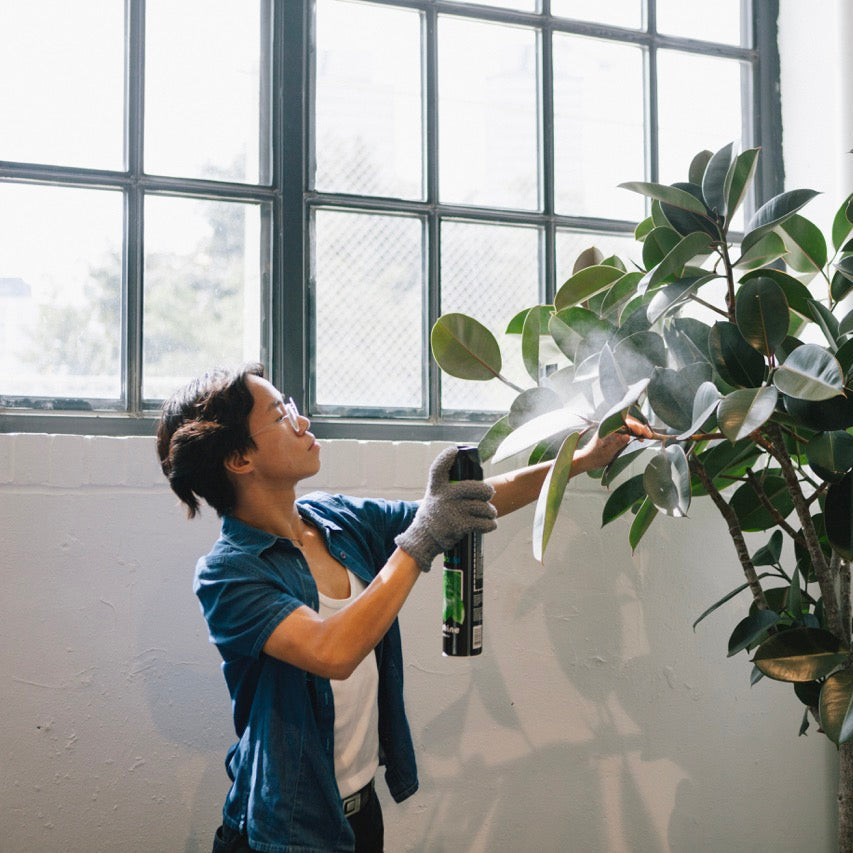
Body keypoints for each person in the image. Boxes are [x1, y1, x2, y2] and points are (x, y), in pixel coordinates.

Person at [156, 363, 634, 853]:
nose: (302, 421)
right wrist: (422, 539)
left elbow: (466, 504)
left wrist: (583, 459)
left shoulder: (336, 519)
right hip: (286, 831)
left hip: (362, 816)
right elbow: (333, 651)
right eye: (281, 416)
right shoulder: (230, 573)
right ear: (238, 458)